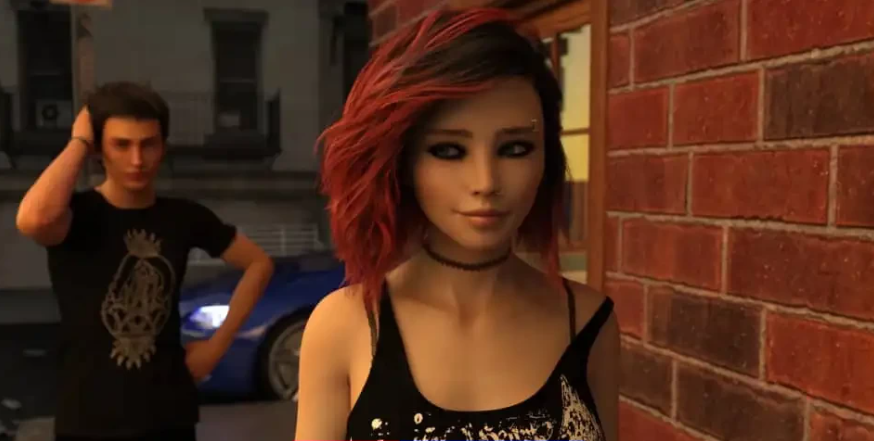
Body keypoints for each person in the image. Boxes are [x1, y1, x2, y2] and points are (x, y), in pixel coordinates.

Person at [295, 8, 618, 441]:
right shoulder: (343, 326)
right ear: (402, 161)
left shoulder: (589, 321)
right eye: (448, 150)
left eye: (515, 148)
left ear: (547, 158)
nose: (485, 182)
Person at [15, 82, 275, 441]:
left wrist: (216, 347)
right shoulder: (75, 216)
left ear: (162, 146)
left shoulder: (184, 217)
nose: (137, 160)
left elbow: (259, 264)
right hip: (89, 418)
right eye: (121, 145)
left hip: (167, 414)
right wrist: (78, 142)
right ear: (100, 149)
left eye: (148, 144)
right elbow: (32, 220)